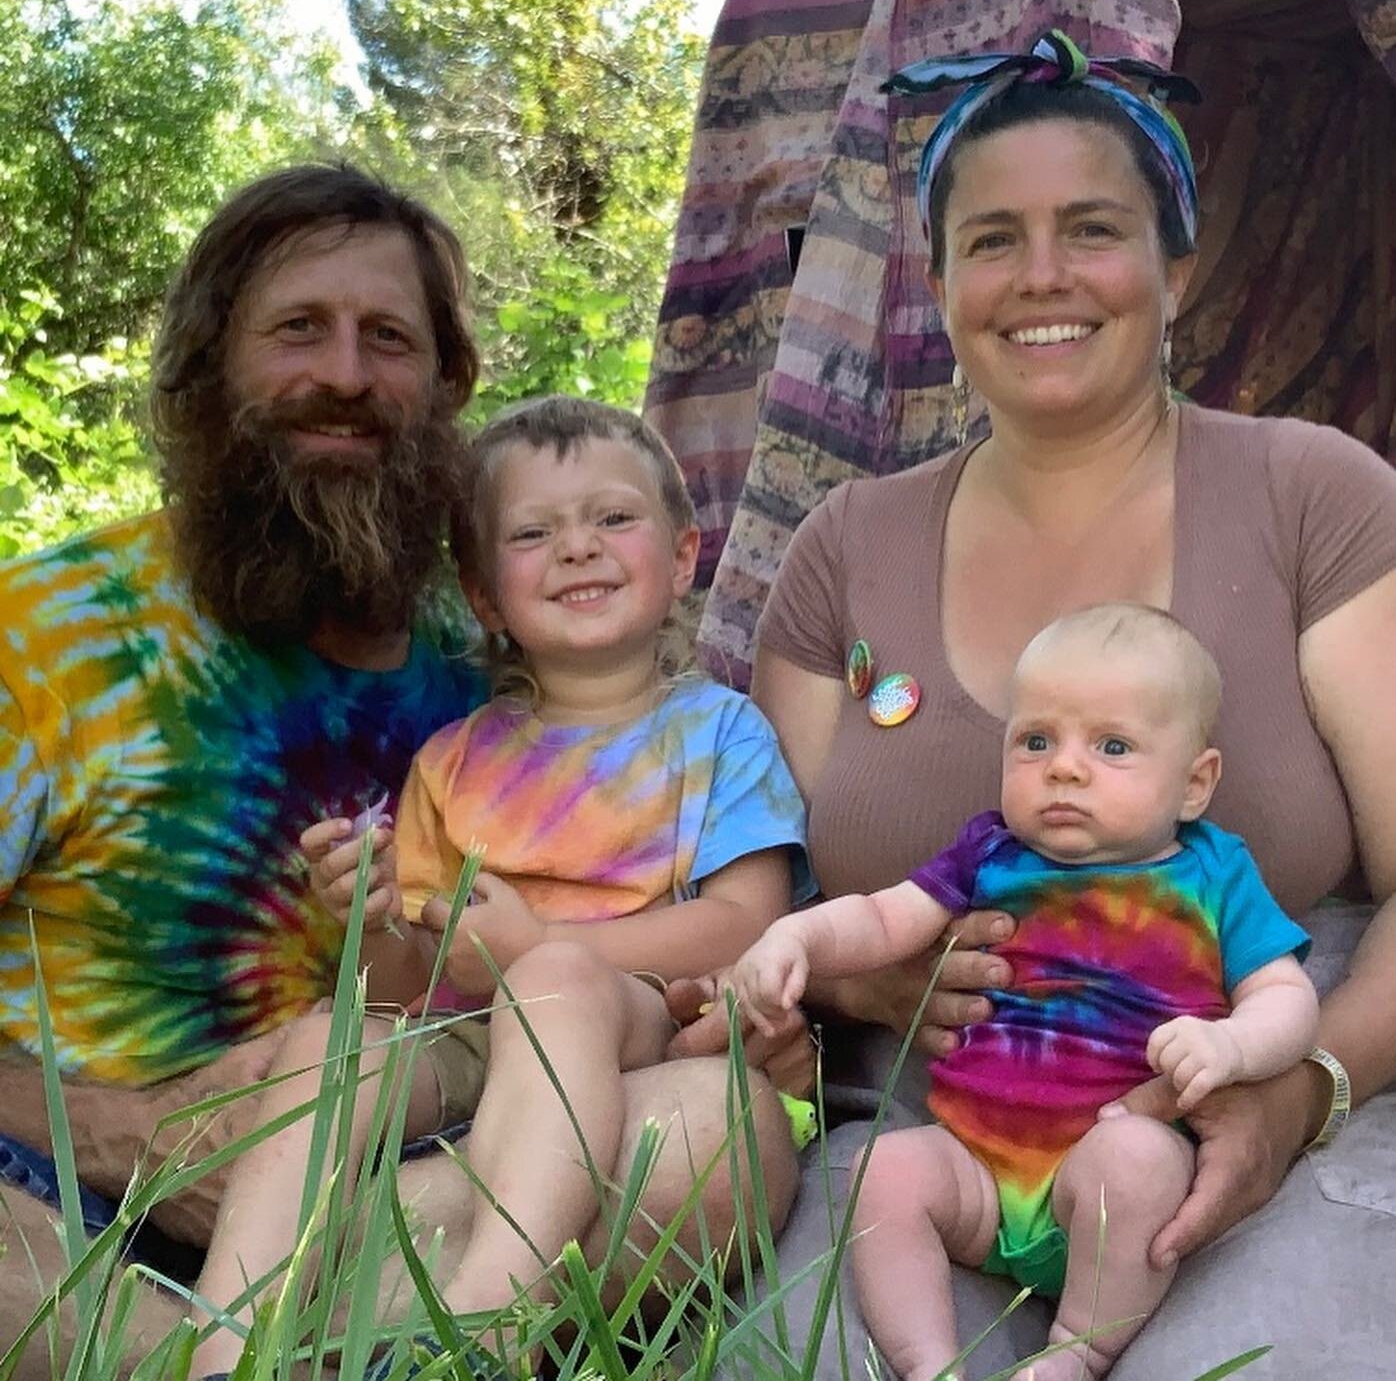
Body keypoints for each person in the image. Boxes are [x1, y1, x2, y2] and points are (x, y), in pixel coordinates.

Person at [0, 169, 804, 1378]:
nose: (345, 374)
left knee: (717, 1135)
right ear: (207, 367)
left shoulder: (495, 663)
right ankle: (215, 1352)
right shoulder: (50, 632)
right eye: (296, 330)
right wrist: (122, 1136)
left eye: (389, 338)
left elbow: (577, 941)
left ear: (443, 387)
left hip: (389, 1181)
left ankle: (265, 1350)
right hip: (59, 1187)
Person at [740, 31, 1396, 1379]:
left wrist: (1297, 1089)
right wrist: (849, 972)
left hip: (1252, 1097)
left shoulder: (1312, 496)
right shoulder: (843, 549)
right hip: (934, 1135)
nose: (1041, 276)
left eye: (1091, 229)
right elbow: (769, 900)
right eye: (993, 239)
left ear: (1177, 268)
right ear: (939, 284)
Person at [189, 396, 807, 1378]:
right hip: (468, 1037)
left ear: (684, 553)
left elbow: (747, 921)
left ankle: (490, 1313)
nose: (576, 548)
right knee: (326, 1036)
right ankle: (225, 1335)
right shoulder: (454, 761)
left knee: (554, 979)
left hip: (627, 1027)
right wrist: (373, 915)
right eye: (533, 532)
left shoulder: (721, 733)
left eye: (612, 517)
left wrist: (547, 951)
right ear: (483, 595)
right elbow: (405, 985)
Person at [733, 604, 1317, 1381]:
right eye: (1036, 740)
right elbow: (884, 915)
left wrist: (1232, 1045)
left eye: (1112, 745)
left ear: (1195, 782)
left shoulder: (1213, 873)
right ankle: (926, 1360)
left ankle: (1078, 1348)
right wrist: (796, 937)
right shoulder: (992, 852)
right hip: (977, 1163)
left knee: (1139, 1161)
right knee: (885, 1173)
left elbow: (1286, 992)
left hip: (1101, 1173)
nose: (1064, 767)